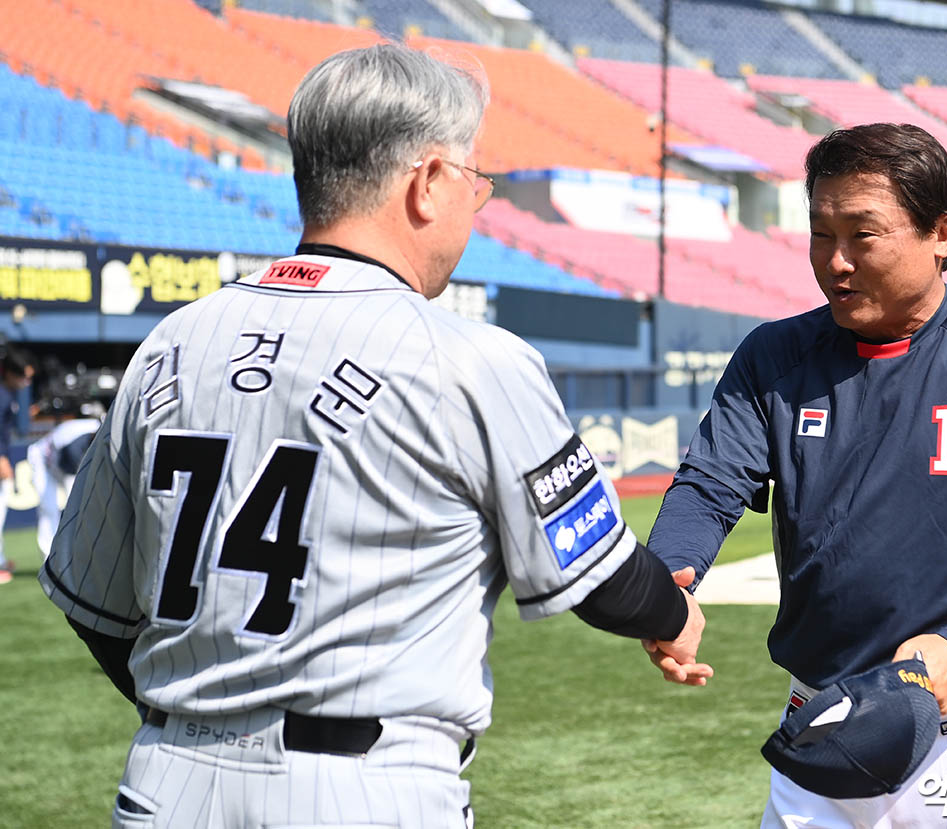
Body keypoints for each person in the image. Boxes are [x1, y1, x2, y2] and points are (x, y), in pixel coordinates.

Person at [39, 42, 710, 829]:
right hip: (364, 790)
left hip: (165, 784)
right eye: (474, 181)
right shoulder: (469, 355)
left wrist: (202, 717)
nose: (474, 203)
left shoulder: (172, 340)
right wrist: (672, 613)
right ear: (427, 183)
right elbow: (600, 578)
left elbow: (93, 602)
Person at [645, 123, 947, 827]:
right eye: (821, 234)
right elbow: (709, 486)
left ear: (943, 232)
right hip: (821, 717)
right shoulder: (773, 356)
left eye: (862, 234)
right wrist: (667, 581)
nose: (835, 262)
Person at [27, 400, 103, 558]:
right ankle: (50, 558)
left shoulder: (103, 431)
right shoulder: (76, 445)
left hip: (59, 460)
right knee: (49, 508)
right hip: (43, 460)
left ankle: (81, 555)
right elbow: (72, 481)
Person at [0, 346, 34, 585]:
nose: (26, 382)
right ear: (10, 373)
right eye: (23, 376)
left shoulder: (7, 394)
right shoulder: (2, 395)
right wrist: (1, 458)